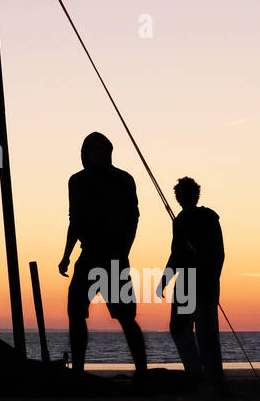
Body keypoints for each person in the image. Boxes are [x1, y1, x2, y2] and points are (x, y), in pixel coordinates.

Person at [59, 132, 147, 376]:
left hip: (115, 256)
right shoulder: (76, 181)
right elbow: (74, 220)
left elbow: (133, 217)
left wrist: (124, 249)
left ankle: (142, 371)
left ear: (108, 153)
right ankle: (77, 370)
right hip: (88, 256)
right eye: (91, 150)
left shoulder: (123, 179)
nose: (96, 155)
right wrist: (66, 255)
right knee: (75, 312)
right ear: (85, 155)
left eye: (100, 150)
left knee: (126, 316)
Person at [157, 177, 225, 386]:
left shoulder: (183, 220)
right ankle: (211, 375)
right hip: (205, 282)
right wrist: (213, 279)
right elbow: (220, 253)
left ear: (179, 197)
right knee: (206, 331)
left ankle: (197, 373)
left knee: (181, 327)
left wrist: (165, 280)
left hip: (191, 282)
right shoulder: (209, 217)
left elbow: (176, 254)